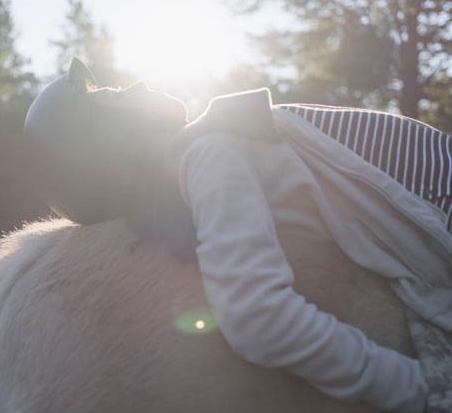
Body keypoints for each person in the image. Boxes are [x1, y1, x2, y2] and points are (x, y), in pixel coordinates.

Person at [24, 58, 452, 413]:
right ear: (112, 140)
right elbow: (257, 314)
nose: (134, 84)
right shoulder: (209, 154)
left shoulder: (211, 147)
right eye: (114, 95)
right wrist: (415, 387)